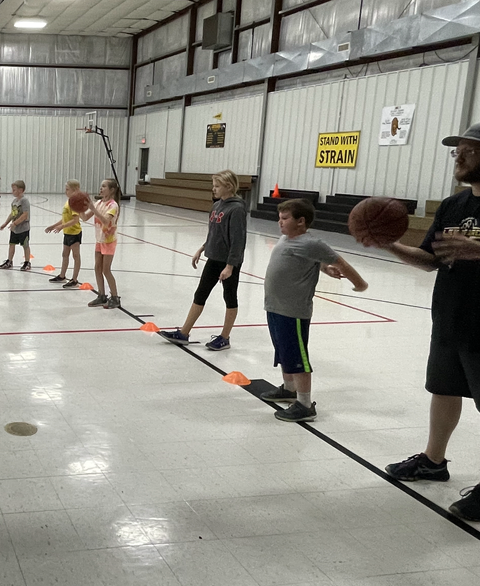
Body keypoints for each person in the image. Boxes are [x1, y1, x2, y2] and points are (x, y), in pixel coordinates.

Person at [379, 124, 480, 522]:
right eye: (457, 150)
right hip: (451, 318)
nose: (459, 155)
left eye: (470, 150)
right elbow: (431, 259)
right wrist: (388, 244)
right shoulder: (453, 205)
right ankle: (434, 462)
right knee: (443, 389)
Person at [260, 198, 367, 422]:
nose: (280, 222)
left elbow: (342, 263)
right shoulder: (285, 239)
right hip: (275, 307)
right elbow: (314, 261)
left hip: (293, 312)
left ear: (301, 221)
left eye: (285, 218)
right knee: (284, 352)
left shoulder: (312, 243)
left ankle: (305, 404)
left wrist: (359, 284)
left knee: (298, 357)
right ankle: (289, 389)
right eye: (279, 218)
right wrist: (325, 268)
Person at [159, 170, 247, 350]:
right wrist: (202, 248)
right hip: (213, 258)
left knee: (229, 297)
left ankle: (225, 337)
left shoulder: (236, 209)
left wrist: (230, 266)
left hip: (228, 261)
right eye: (213, 186)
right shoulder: (216, 207)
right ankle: (184, 332)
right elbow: (215, 233)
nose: (213, 189)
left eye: (217, 186)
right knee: (200, 294)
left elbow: (238, 240)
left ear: (228, 186)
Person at [82, 179, 122, 309]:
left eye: (104, 186)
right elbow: (85, 217)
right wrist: (79, 207)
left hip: (109, 241)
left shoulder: (113, 206)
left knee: (106, 270)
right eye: (101, 186)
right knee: (97, 268)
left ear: (111, 190)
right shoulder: (99, 203)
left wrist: (93, 208)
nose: (101, 188)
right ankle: (101, 295)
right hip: (99, 240)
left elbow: (106, 221)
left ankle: (115, 298)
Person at [45, 179, 83, 288]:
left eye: (68, 190)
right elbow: (65, 219)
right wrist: (54, 225)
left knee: (76, 255)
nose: (66, 192)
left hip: (75, 232)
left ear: (75, 190)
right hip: (67, 232)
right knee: (65, 254)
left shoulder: (75, 203)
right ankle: (62, 275)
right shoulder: (68, 201)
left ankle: (74, 279)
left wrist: (62, 226)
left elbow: (75, 220)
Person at [0, 180, 32, 271]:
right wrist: (6, 223)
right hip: (15, 229)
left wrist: (15, 223)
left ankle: (27, 262)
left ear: (21, 190)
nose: (12, 191)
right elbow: (13, 214)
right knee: (12, 244)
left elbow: (25, 215)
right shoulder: (14, 201)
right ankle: (9, 261)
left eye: (14, 190)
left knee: (25, 245)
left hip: (23, 228)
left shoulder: (24, 201)